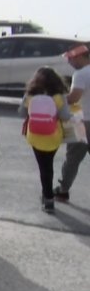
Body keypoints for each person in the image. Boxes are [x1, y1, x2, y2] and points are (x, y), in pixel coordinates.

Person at [21, 67, 72, 213]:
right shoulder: (59, 96)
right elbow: (65, 116)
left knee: (43, 166)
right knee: (48, 166)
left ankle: (47, 198)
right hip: (53, 136)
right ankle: (48, 197)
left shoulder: (30, 95)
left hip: (35, 135)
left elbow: (22, 112)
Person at [56, 44, 90, 202]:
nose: (69, 61)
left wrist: (59, 98)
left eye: (70, 58)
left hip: (80, 120)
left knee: (72, 159)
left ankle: (63, 191)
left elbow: (74, 98)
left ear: (80, 57)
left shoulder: (81, 74)